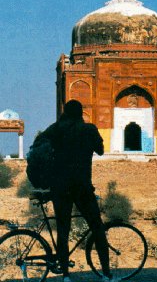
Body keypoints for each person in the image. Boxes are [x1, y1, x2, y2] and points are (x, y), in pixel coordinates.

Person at [39, 100, 115, 282]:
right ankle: (106, 274)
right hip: (81, 187)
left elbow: (38, 145)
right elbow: (101, 150)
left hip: (60, 187)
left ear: (65, 112)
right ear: (81, 112)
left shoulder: (55, 129)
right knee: (97, 228)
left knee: (63, 231)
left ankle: (66, 275)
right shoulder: (88, 129)